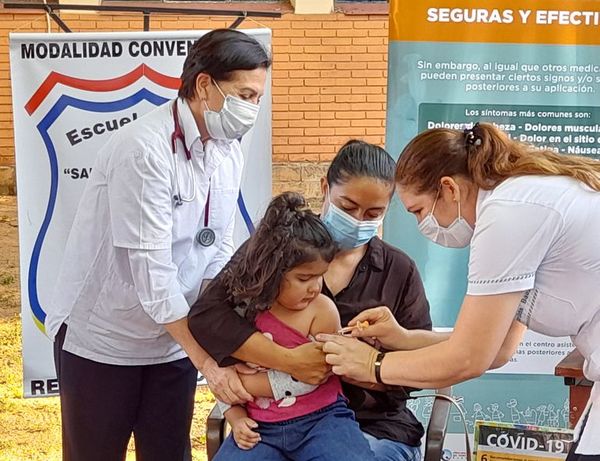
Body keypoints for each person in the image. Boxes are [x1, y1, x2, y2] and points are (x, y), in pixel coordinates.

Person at [45, 29, 271, 461]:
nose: (252, 109)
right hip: (103, 341)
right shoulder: (143, 149)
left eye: (258, 98)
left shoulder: (228, 152)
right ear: (205, 85)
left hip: (173, 343)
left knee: (170, 452)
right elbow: (151, 273)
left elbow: (218, 253)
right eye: (245, 94)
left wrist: (222, 340)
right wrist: (209, 362)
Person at [319, 123, 600, 460]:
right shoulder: (523, 197)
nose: (423, 225)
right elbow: (498, 348)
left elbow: (470, 357)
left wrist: (373, 365)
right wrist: (403, 339)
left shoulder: (508, 213)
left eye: (419, 211)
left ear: (449, 188)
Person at [189, 140, 432, 461]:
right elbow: (208, 316)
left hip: (374, 424)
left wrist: (368, 369)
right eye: (347, 207)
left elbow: (418, 370)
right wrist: (284, 361)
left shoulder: (398, 271)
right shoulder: (274, 253)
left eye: (374, 213)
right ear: (324, 188)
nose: (359, 220)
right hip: (271, 420)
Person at [206, 191, 376, 460]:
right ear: (273, 272)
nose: (315, 287)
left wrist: (242, 384)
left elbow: (312, 375)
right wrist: (235, 416)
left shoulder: (322, 310)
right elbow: (222, 378)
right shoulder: (243, 313)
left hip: (321, 421)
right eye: (304, 278)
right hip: (260, 427)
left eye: (320, 276)